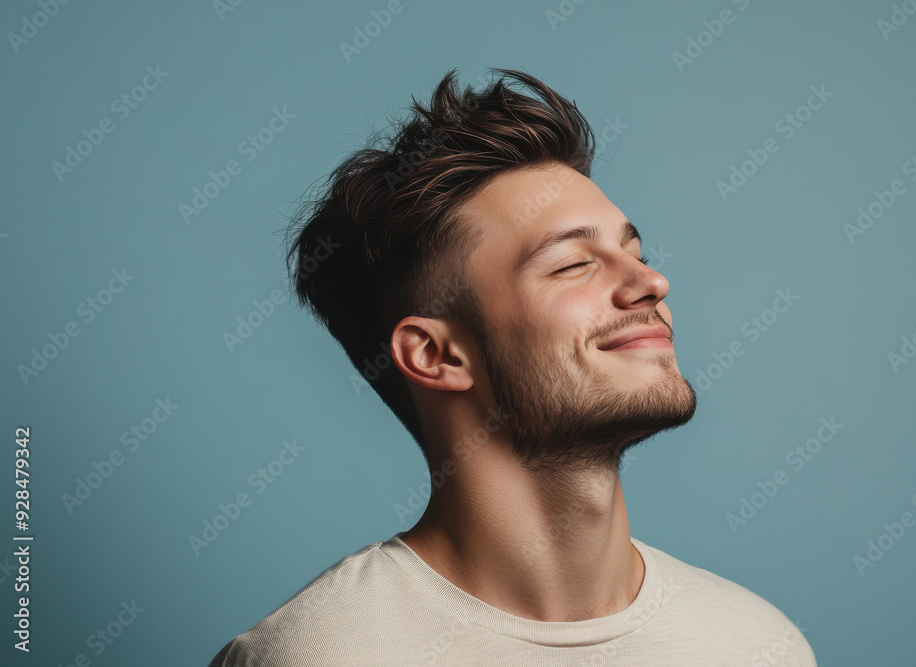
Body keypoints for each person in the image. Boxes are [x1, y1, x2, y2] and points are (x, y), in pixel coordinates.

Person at [208, 67, 817, 666]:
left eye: (635, 252)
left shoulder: (757, 645)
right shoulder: (317, 655)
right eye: (573, 264)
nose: (651, 282)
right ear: (436, 355)